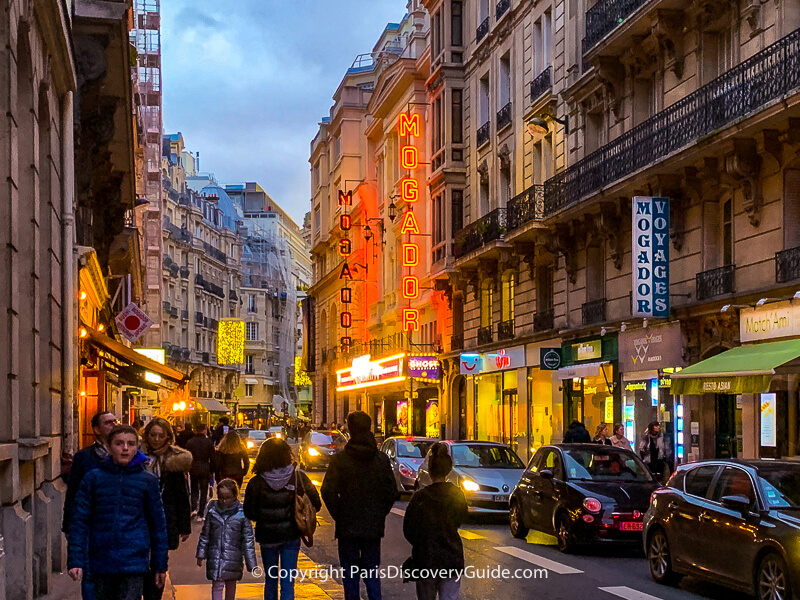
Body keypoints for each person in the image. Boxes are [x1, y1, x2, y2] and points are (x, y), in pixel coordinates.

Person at [67, 425, 169, 600]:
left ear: (137, 447)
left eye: (131, 444)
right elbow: (80, 521)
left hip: (134, 562)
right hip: (100, 560)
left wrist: (160, 565)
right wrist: (76, 559)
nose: (125, 448)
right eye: (119, 443)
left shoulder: (148, 481)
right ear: (108, 446)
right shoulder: (93, 478)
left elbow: (158, 526)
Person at [321, 411, 397, 600]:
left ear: (350, 429)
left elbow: (327, 491)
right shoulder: (380, 460)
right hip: (372, 525)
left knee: (350, 574)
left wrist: (340, 514)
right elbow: (391, 492)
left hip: (348, 525)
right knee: (372, 572)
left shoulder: (341, 460)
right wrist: (379, 512)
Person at [244, 438, 321, 600]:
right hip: (291, 534)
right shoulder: (297, 477)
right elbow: (316, 503)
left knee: (270, 579)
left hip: (267, 536)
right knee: (288, 581)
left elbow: (249, 512)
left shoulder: (256, 482)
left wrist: (265, 516)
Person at [62, 411, 118, 600]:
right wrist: (69, 526)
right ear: (96, 429)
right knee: (90, 576)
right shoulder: (84, 457)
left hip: (118, 527)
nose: (113, 425)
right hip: (90, 526)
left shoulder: (128, 456)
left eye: (114, 421)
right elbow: (73, 493)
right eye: (108, 422)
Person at [403, 442, 468, 600]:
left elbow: (408, 529)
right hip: (452, 557)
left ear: (430, 471)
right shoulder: (457, 495)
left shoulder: (420, 498)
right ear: (448, 470)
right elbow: (460, 518)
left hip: (426, 557)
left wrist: (421, 541)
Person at [141, 417, 193, 600]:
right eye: (153, 435)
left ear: (167, 437)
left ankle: (153, 594)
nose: (156, 439)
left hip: (165, 516)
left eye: (160, 436)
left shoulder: (175, 460)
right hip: (138, 517)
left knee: (159, 560)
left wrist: (184, 525)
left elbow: (182, 495)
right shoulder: (137, 457)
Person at [196, 479, 258, 600]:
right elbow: (205, 534)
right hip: (215, 557)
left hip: (233, 559)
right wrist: (201, 554)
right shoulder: (213, 512)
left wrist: (252, 563)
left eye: (228, 497)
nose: (224, 501)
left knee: (230, 585)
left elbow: (248, 541)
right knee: (217, 585)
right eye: (221, 497)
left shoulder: (242, 514)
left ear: (235, 496)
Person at [186, 424, 216, 519]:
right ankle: (201, 513)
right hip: (205, 468)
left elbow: (187, 457)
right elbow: (213, 458)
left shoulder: (190, 442)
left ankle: (194, 508)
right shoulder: (209, 442)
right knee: (204, 491)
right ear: (205, 430)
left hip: (193, 468)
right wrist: (212, 470)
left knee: (194, 489)